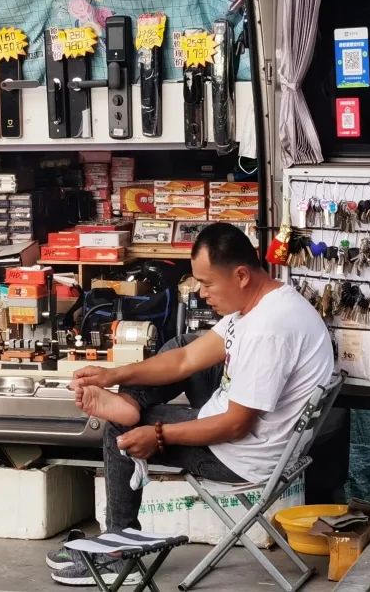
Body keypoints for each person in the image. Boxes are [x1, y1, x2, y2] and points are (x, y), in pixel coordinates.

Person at [46, 222, 335, 586]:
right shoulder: (264, 302)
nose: (201, 292)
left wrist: (159, 435)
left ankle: (119, 555)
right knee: (184, 345)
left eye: (208, 283)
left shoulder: (269, 331)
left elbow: (235, 425)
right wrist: (113, 373)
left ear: (242, 275)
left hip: (243, 456)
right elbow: (185, 360)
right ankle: (129, 401)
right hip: (246, 427)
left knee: (121, 432)